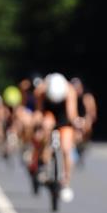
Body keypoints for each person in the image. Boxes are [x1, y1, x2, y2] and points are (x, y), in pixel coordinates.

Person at [33, 72, 79, 202]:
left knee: (66, 148)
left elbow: (71, 115)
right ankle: (43, 161)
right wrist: (38, 127)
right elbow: (39, 112)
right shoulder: (40, 91)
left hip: (63, 116)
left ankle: (66, 181)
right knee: (46, 126)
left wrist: (77, 123)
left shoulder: (70, 91)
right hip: (49, 114)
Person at [70, 77, 98, 160]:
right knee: (74, 134)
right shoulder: (69, 97)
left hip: (83, 119)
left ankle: (84, 143)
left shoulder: (87, 97)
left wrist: (84, 122)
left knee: (87, 126)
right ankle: (73, 148)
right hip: (73, 119)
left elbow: (92, 114)